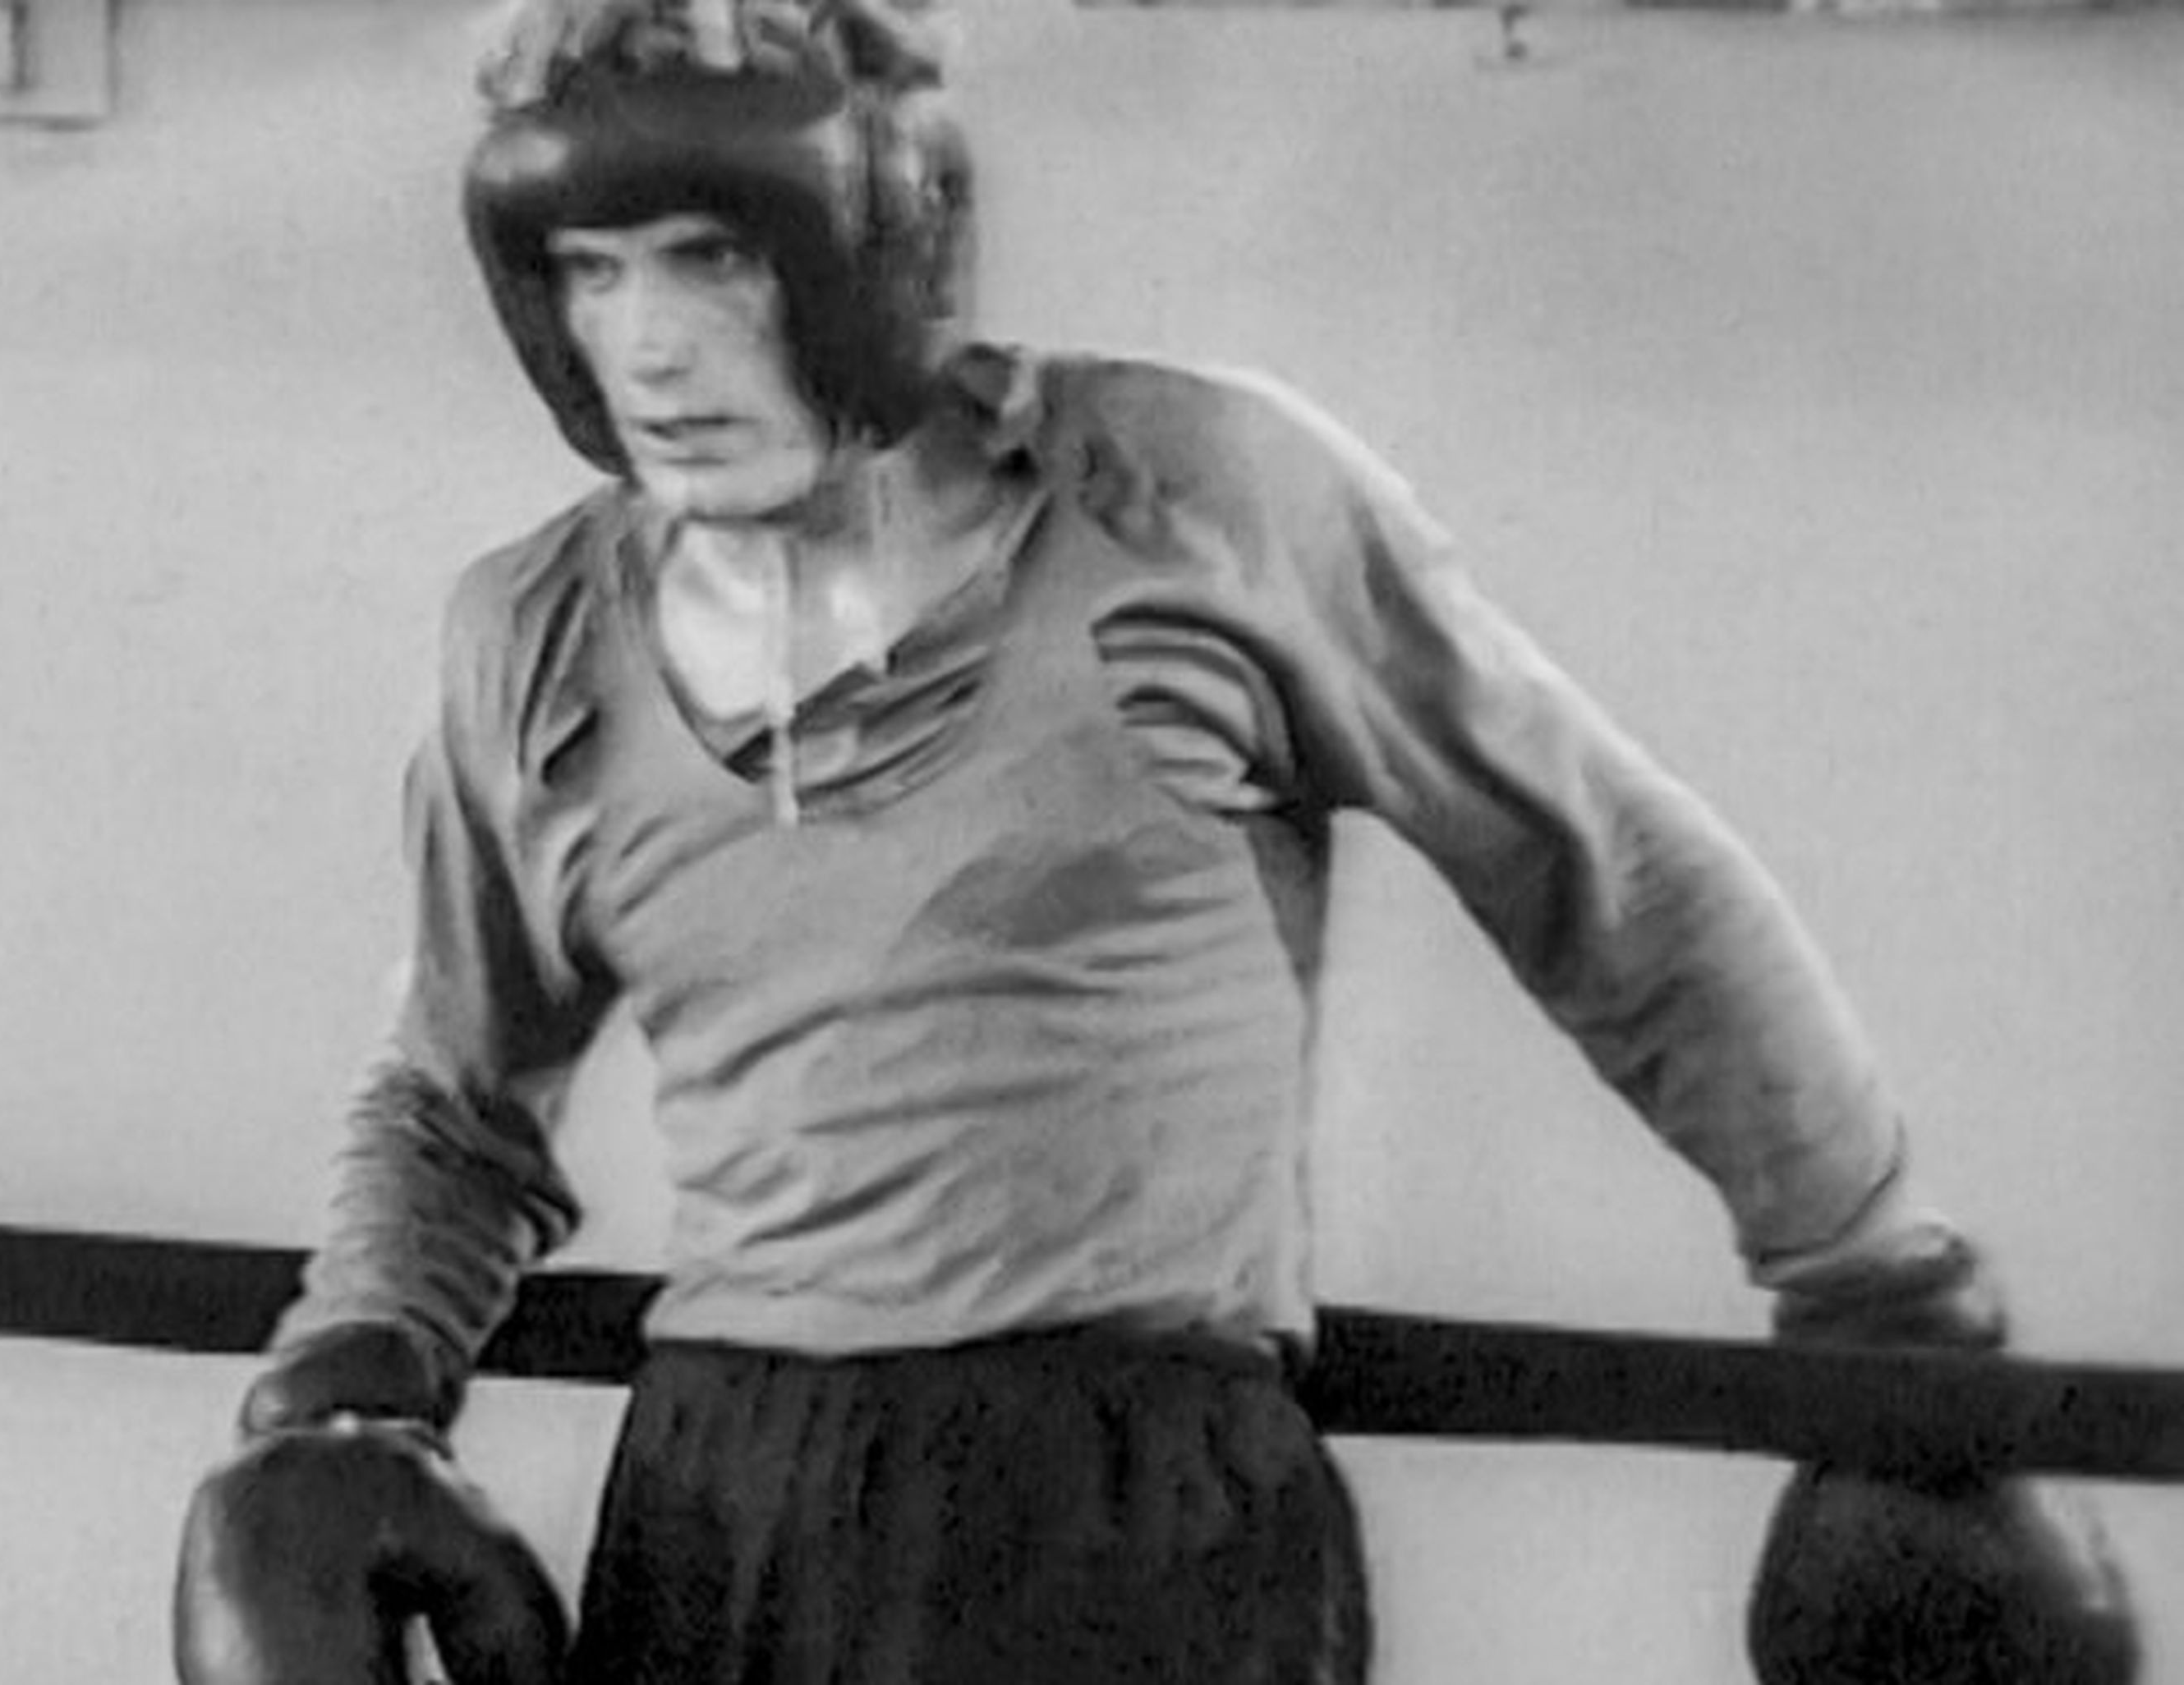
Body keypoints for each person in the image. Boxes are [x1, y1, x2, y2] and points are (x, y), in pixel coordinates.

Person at [172, 4, 2123, 1682]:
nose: (654, 350)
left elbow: (1605, 882)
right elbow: (454, 1100)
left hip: (1135, 1494)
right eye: (594, 274)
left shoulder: (1191, 497)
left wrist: (1877, 1296)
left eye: (712, 259)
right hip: (723, 1496)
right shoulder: (533, 636)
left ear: (870, 238)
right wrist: (342, 1390)